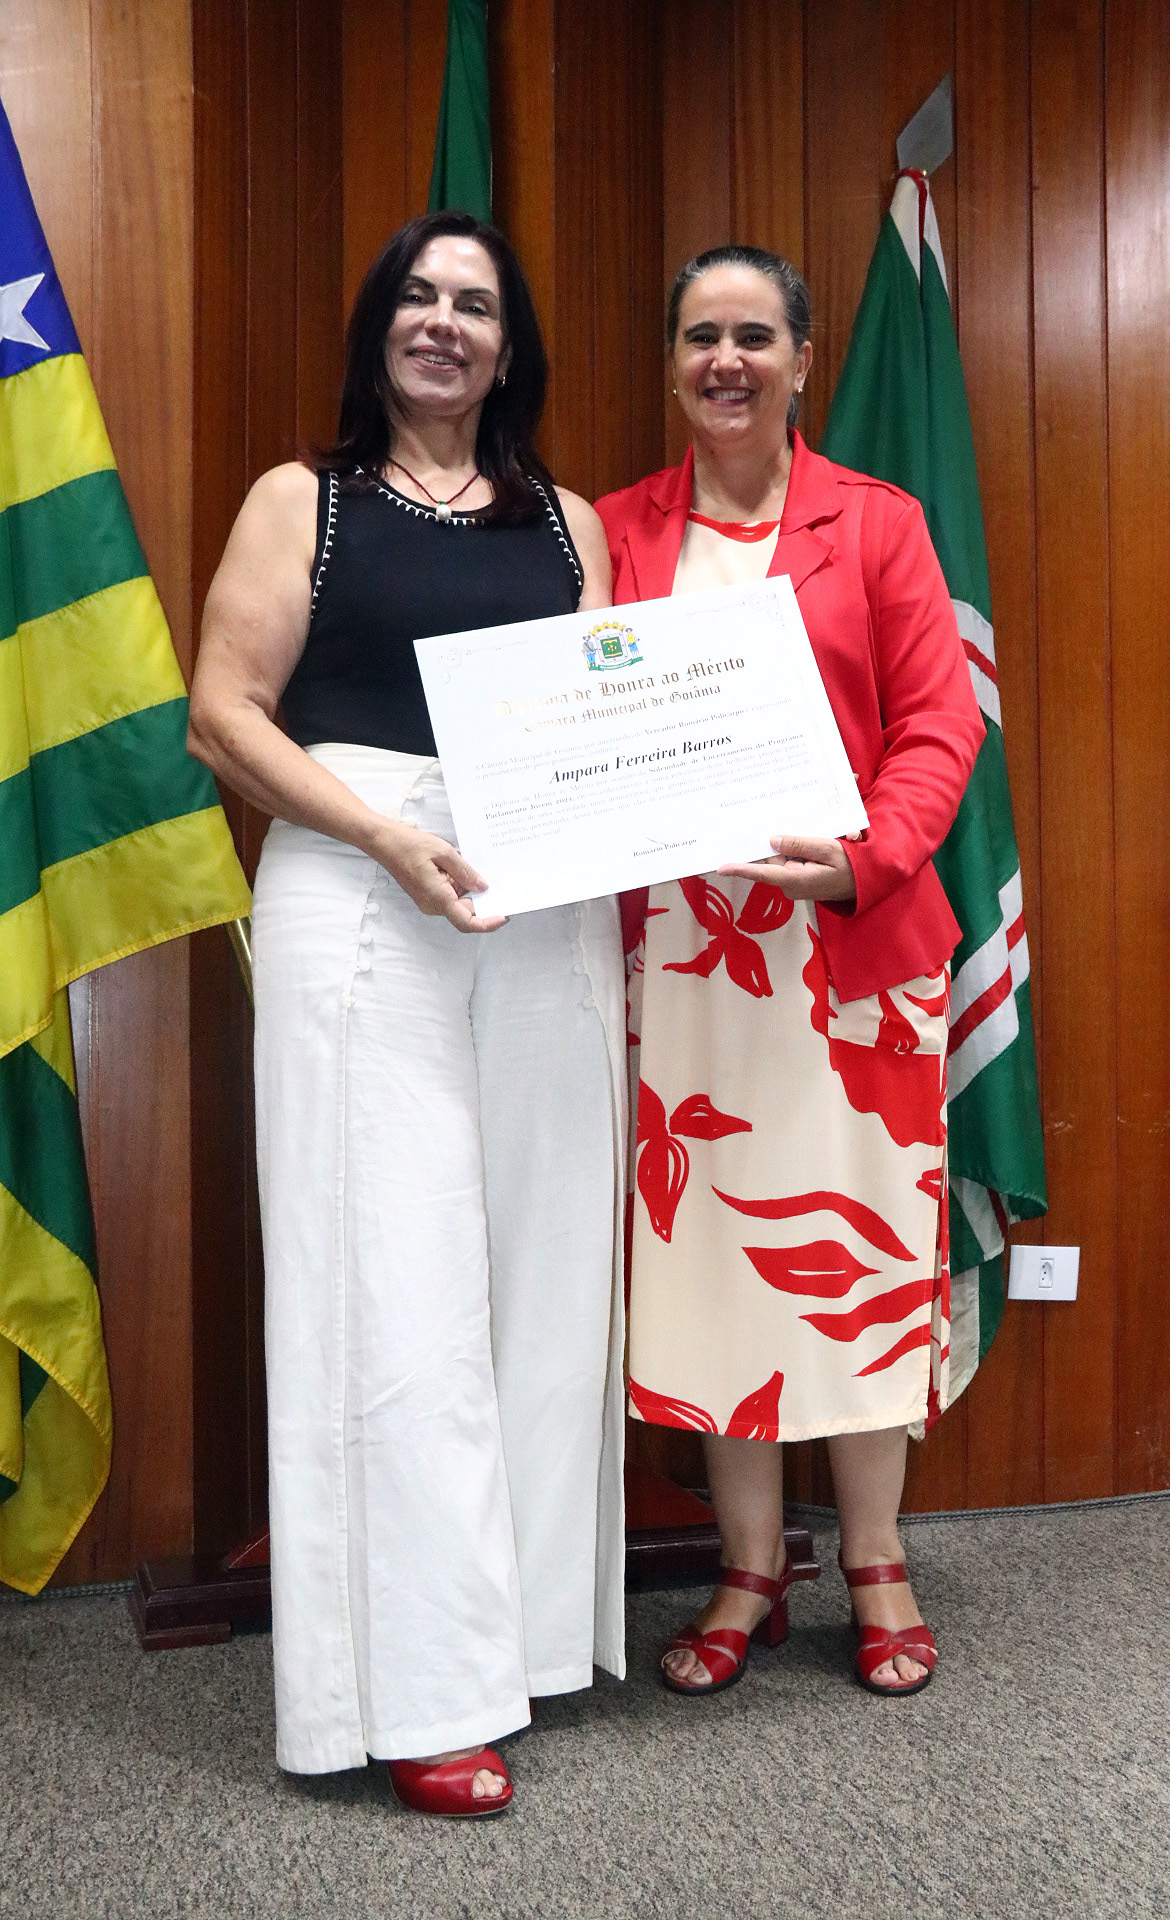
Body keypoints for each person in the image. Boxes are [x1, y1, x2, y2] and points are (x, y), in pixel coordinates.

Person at [188, 211, 626, 1815]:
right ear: (379, 327)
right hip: (360, 886)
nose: (445, 322)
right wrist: (383, 833)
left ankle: (517, 1641)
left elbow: (611, 724)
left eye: (476, 305)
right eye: (419, 297)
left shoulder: (570, 522)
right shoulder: (299, 502)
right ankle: (415, 1697)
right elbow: (221, 715)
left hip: (542, 900)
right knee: (394, 1290)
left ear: (511, 350)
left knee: (543, 1276)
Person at [595, 244, 984, 1699]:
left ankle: (876, 1558)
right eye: (701, 334)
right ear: (673, 361)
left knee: (863, 1263)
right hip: (684, 965)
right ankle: (749, 1566)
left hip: (850, 955)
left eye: (755, 335)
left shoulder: (876, 521)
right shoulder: (616, 530)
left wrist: (869, 857)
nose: (727, 360)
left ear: (803, 360)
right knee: (713, 1264)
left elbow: (939, 725)